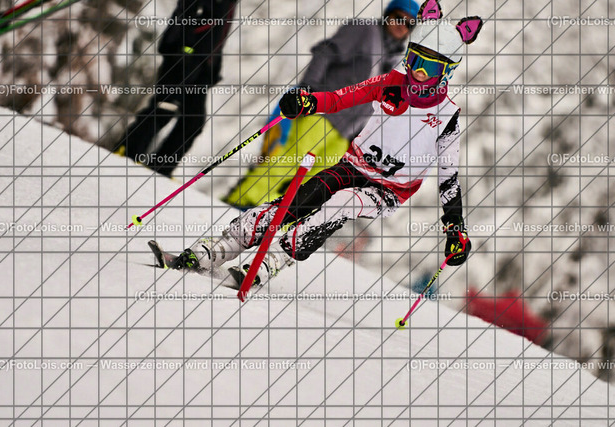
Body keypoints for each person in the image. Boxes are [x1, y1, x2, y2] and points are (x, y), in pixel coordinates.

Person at [163, 0, 483, 287]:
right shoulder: (391, 81)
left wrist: (454, 226)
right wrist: (308, 101)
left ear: (447, 72)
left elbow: (448, 178)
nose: (419, 73)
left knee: (341, 203)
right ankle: (220, 248)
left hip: (388, 190)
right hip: (353, 167)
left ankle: (274, 259)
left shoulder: (446, 116)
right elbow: (342, 97)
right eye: (415, 60)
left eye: (431, 67)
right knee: (296, 200)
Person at [223, 0, 420, 209]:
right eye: (399, 18)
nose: (402, 26)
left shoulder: (394, 60)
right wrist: (308, 89)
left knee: (317, 181)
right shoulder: (365, 31)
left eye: (409, 24)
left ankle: (271, 215)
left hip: (346, 134)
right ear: (388, 15)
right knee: (290, 161)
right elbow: (326, 52)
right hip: (322, 112)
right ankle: (243, 201)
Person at [115, 0, 237, 177]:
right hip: (182, 54)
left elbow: (220, 30)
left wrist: (214, 67)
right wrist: (184, 48)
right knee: (164, 107)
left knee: (193, 122)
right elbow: (187, 9)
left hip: (202, 64)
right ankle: (126, 152)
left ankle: (160, 169)